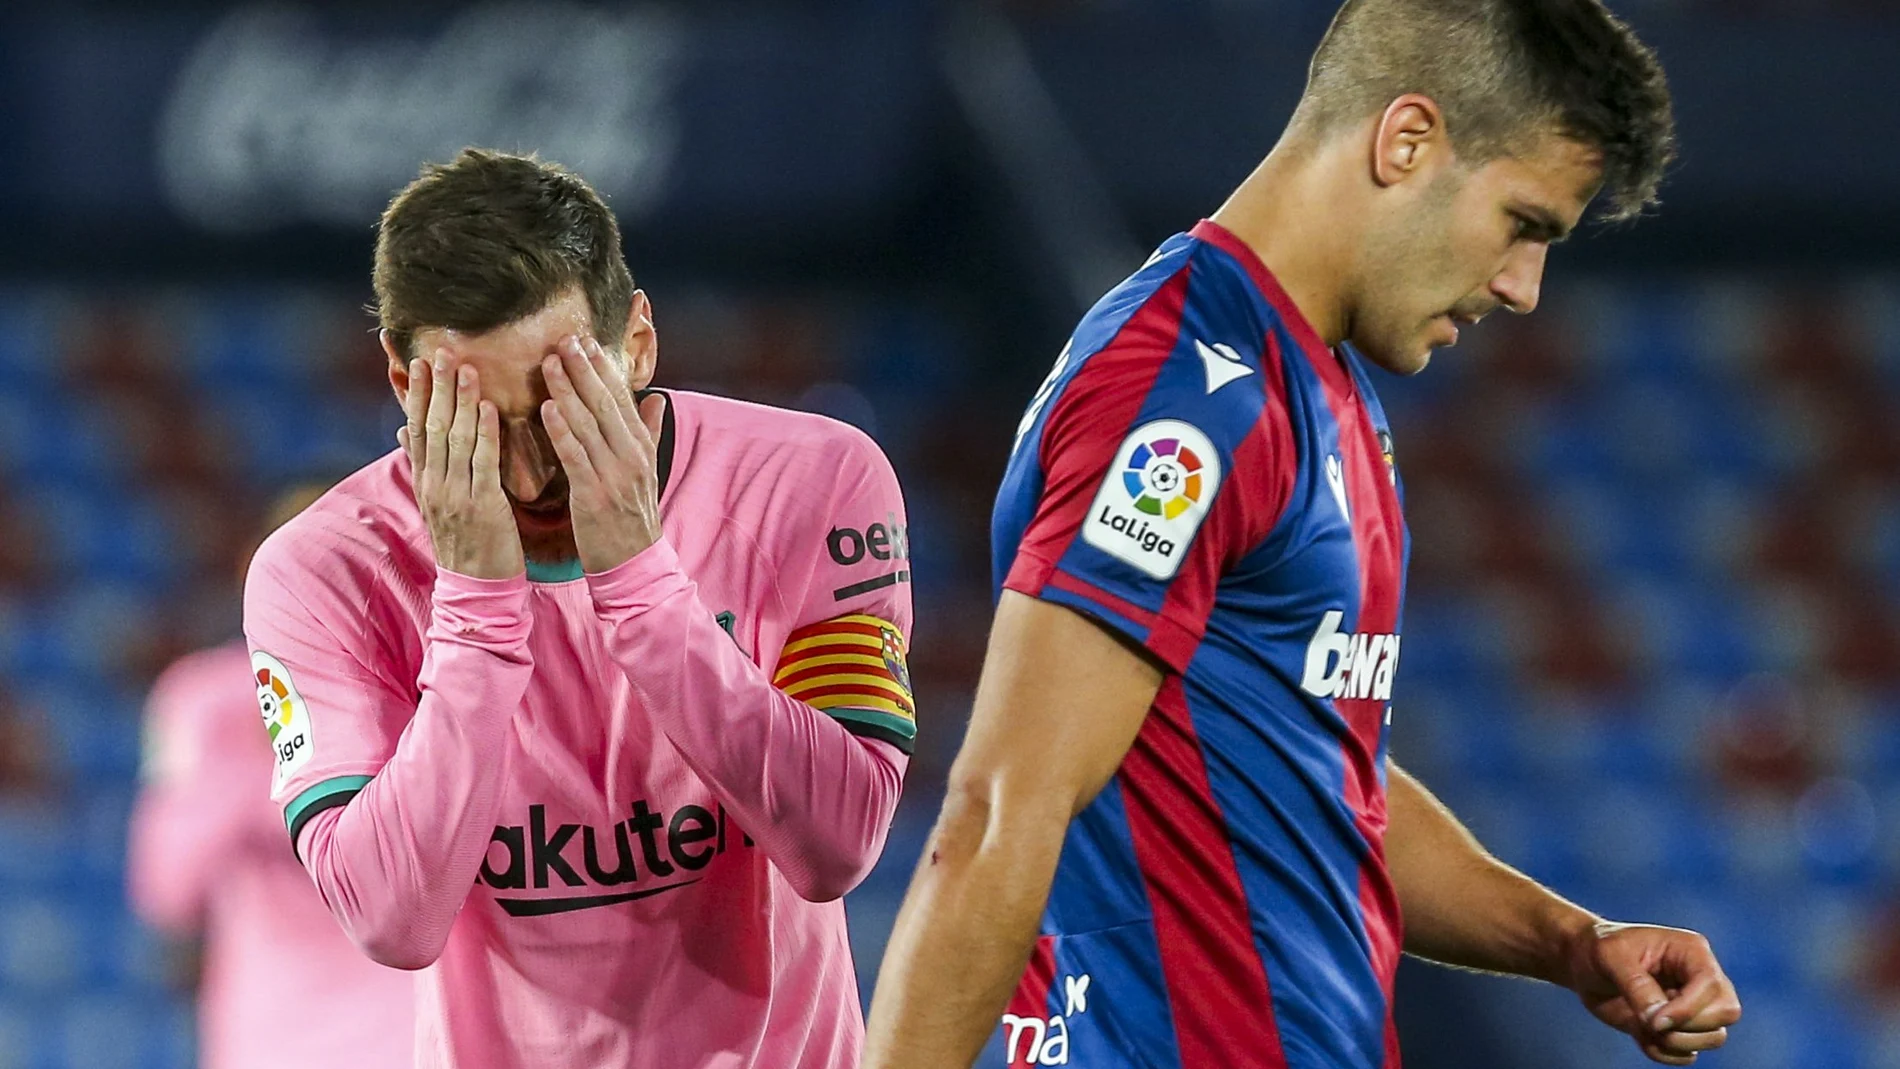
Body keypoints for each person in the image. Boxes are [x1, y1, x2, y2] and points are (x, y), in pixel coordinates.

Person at [862, 1, 1741, 1067]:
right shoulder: (1185, 387)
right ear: (1406, 139)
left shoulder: (1319, 385)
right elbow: (998, 811)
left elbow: (1320, 772)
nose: (1522, 286)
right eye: (1523, 223)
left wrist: (1569, 941)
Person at [242, 149, 916, 1069]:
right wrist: (477, 603)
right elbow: (392, 917)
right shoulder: (322, 570)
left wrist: (638, 575)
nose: (526, 475)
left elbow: (836, 844)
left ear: (637, 342)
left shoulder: (813, 483)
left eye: (564, 412)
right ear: (405, 385)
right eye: (484, 425)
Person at [128, 484, 414, 1069]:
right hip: (273, 1034)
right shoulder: (205, 699)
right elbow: (167, 887)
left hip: (407, 1026)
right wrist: (249, 769)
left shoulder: (431, 685)